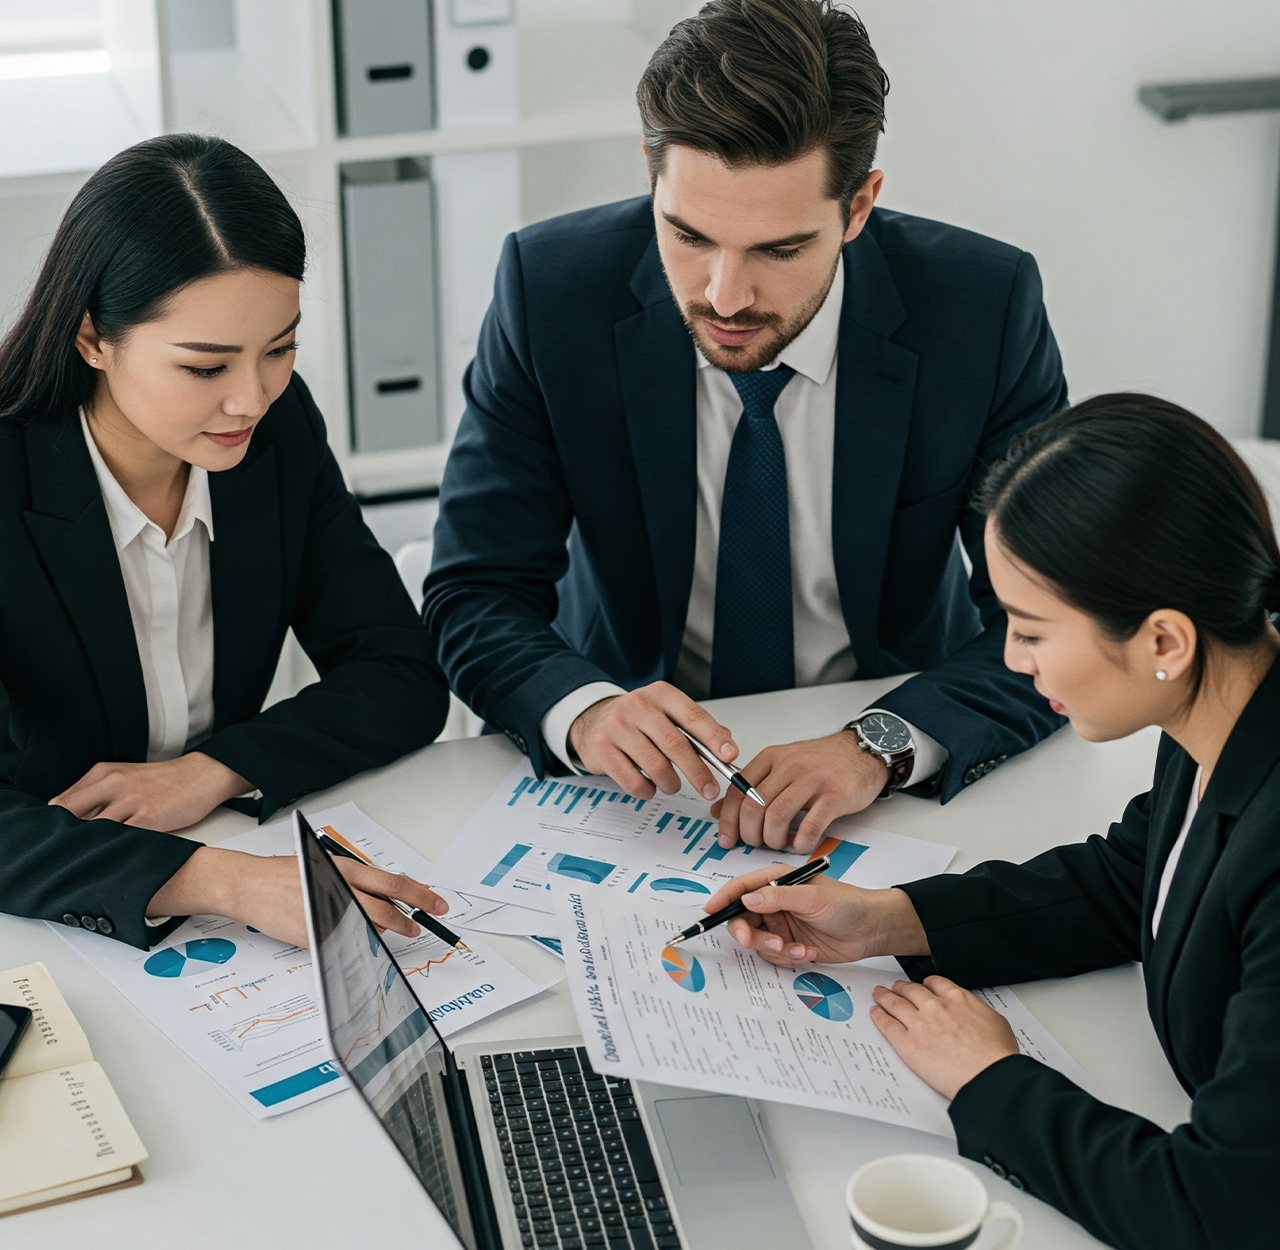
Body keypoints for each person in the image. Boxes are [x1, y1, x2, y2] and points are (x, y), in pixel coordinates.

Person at [425, 0, 1068, 856]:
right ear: (650, 177)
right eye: (688, 235)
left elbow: (1061, 612)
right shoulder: (550, 292)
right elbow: (475, 591)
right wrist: (584, 713)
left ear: (859, 205)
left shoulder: (981, 308)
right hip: (637, 782)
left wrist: (879, 745)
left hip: (891, 756)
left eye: (779, 250)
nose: (725, 297)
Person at [705, 392, 1280, 1248]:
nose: (1011, 657)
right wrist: (884, 920)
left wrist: (988, 1077)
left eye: (1033, 629)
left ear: (1165, 641)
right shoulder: (1224, 703)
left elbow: (1211, 1210)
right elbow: (1138, 876)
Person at [0, 134, 452, 951]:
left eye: (279, 349)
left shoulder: (276, 434)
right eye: (206, 368)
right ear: (93, 338)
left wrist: (212, 771)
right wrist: (214, 878)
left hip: (235, 838)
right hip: (51, 911)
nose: (251, 398)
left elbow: (400, 674)